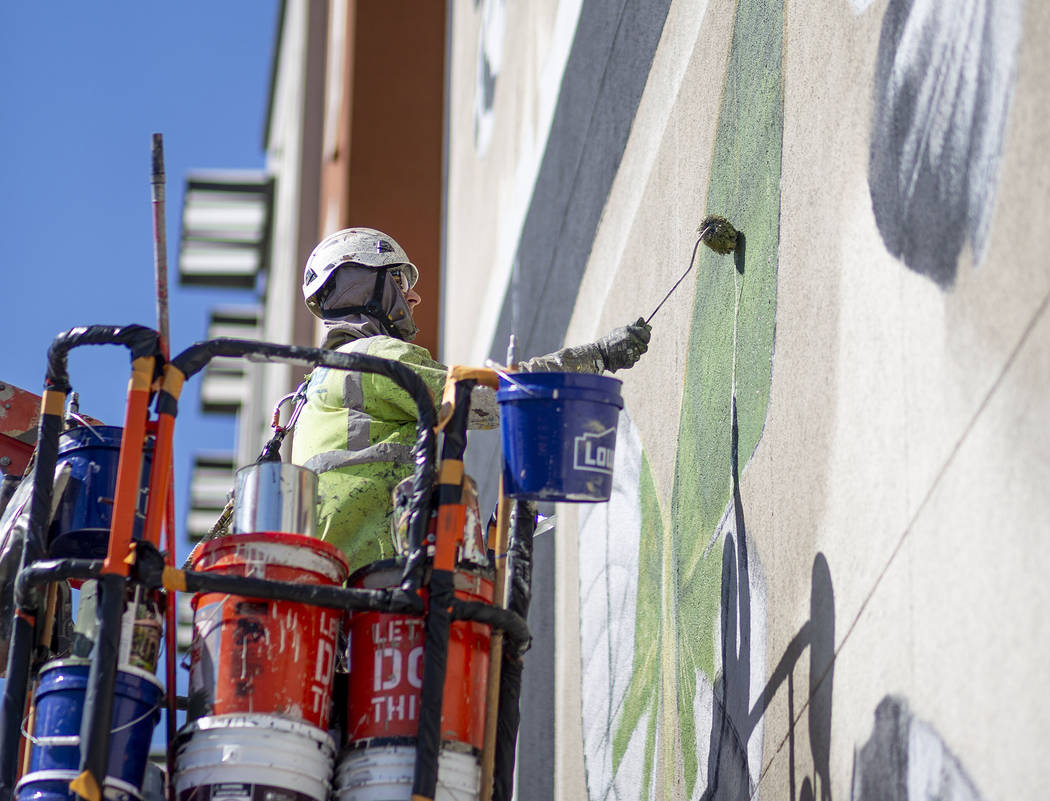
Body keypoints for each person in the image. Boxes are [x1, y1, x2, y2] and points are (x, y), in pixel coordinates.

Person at [291, 227, 651, 569]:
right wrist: (597, 356)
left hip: (341, 582)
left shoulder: (312, 390)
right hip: (389, 569)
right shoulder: (373, 357)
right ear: (364, 285)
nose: (413, 297)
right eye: (399, 281)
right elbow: (492, 399)